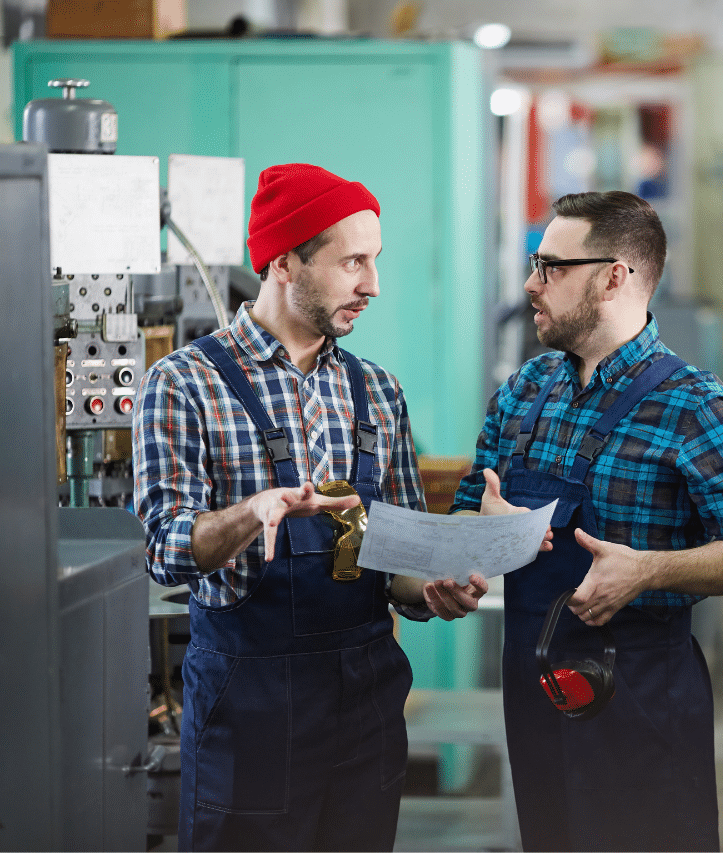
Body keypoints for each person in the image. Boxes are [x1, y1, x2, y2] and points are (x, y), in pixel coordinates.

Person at [133, 163, 496, 851]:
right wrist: (252, 512)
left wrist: (438, 584)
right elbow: (163, 549)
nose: (373, 284)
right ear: (283, 259)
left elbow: (398, 559)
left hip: (366, 706)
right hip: (250, 710)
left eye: (376, 260)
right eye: (352, 261)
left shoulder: (377, 393)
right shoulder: (184, 384)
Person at [450, 190, 723, 851]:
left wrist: (653, 569)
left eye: (552, 266)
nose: (531, 283)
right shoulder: (524, 393)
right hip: (537, 696)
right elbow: (470, 504)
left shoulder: (695, 406)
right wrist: (482, 525)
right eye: (534, 263)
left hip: (641, 710)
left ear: (614, 277)